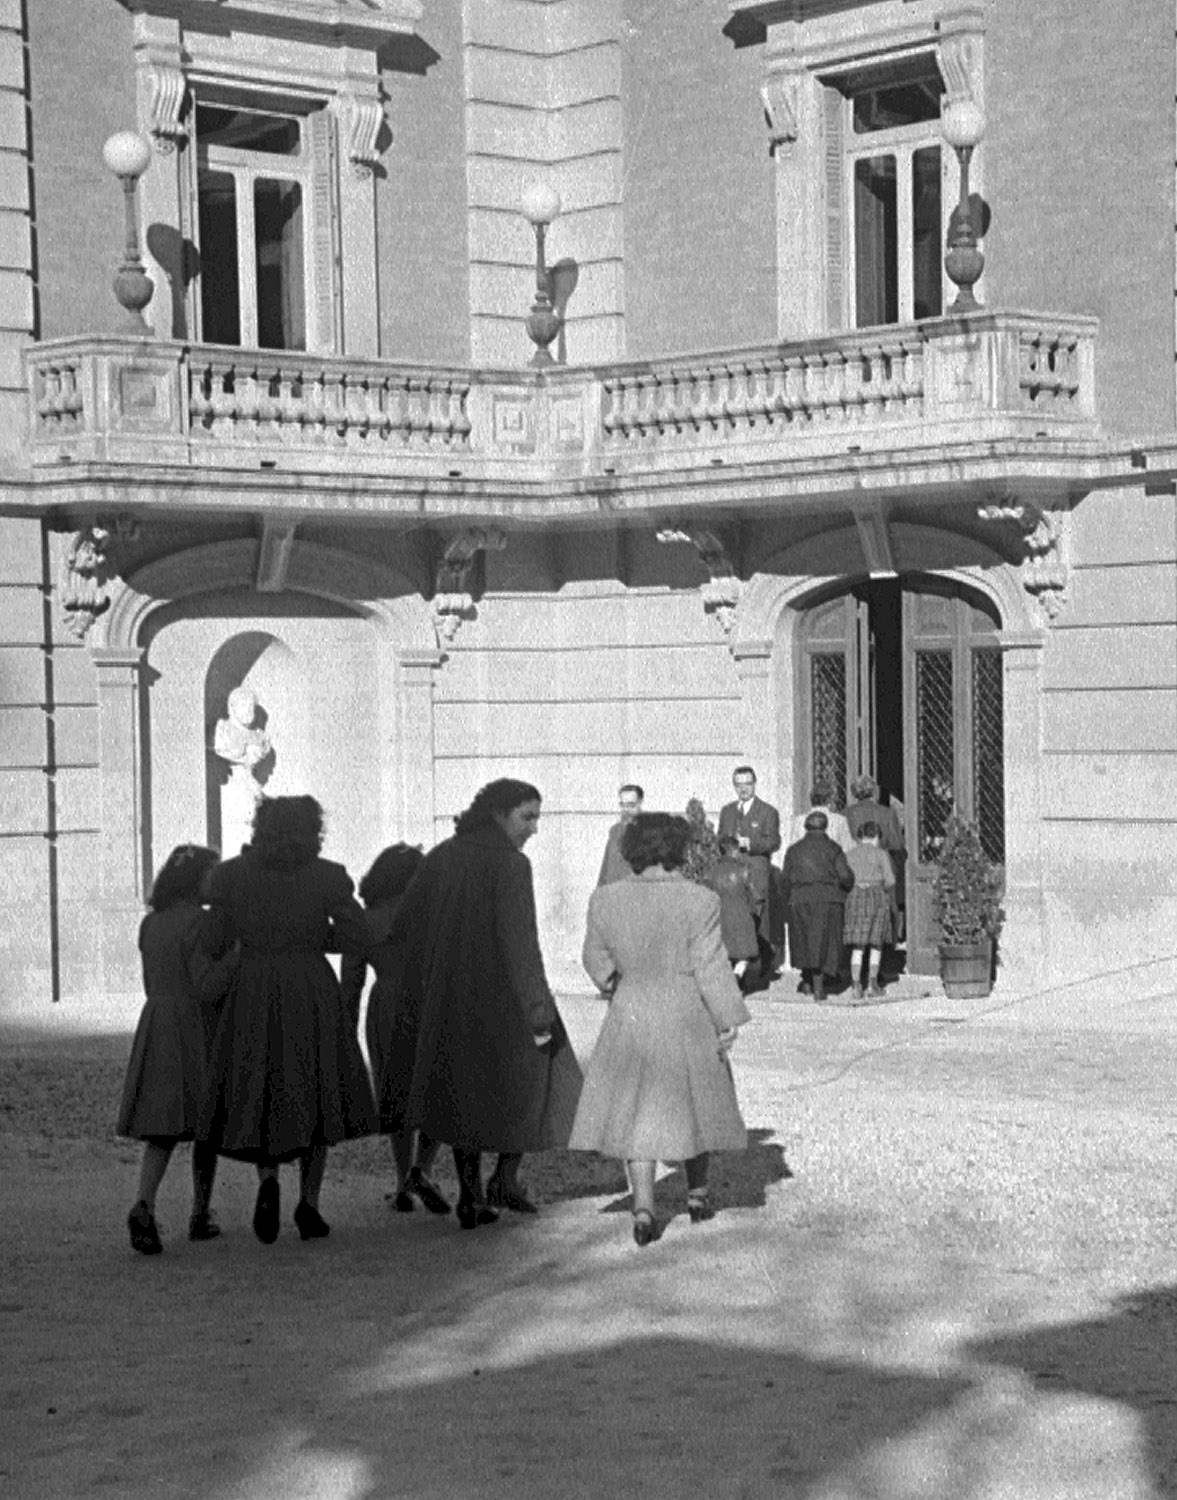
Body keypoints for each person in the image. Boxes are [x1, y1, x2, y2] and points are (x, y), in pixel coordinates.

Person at [388, 779, 583, 1230]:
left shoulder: (441, 856)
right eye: (527, 817)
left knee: (463, 1094)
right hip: (501, 1003)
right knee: (542, 1078)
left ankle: (472, 1193)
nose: (534, 828)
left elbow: (403, 924)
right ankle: (505, 1179)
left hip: (448, 1000)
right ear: (499, 814)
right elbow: (521, 945)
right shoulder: (512, 865)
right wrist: (539, 1011)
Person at [197, 795, 378, 1245]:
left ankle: (268, 1180)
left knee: (264, 1086)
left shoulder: (232, 875)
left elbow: (214, 939)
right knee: (315, 1089)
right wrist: (320, 936)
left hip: (252, 986)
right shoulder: (327, 875)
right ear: (313, 828)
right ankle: (309, 1203)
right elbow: (359, 934)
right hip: (309, 986)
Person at [569, 813, 750, 1247]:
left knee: (635, 1108)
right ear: (678, 850)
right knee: (696, 1099)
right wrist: (727, 1018)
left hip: (631, 1008)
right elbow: (711, 965)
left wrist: (618, 985)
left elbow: (594, 961)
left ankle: (644, 1208)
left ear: (632, 851)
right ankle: (698, 1194)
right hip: (687, 1009)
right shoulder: (699, 899)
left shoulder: (605, 899)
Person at [117, 845, 240, 1255]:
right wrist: (235, 960)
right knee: (205, 1124)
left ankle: (145, 1202)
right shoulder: (199, 924)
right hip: (193, 1026)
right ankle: (200, 1212)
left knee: (162, 1129)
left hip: (157, 1021)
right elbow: (207, 985)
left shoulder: (151, 924)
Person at [340, 843, 450, 1216]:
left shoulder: (366, 919)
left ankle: (402, 1181)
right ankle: (424, 1167)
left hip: (385, 1004)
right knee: (434, 1090)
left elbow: (351, 981)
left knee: (394, 1093)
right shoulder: (428, 914)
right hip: (425, 1003)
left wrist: (346, 1031)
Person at [781, 810, 855, 1002]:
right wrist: (846, 887)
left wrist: (788, 899)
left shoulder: (793, 850)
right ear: (825, 827)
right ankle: (819, 987)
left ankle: (807, 981)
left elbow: (785, 879)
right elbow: (845, 876)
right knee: (824, 942)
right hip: (828, 899)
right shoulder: (833, 849)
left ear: (806, 827)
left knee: (805, 940)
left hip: (800, 898)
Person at [717, 766, 782, 979]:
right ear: (734, 786)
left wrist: (751, 843)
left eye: (747, 783)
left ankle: (757, 969)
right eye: (739, 784)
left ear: (754, 784)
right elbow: (719, 839)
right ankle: (737, 967)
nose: (743, 788)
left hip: (755, 873)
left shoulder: (767, 811)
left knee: (757, 918)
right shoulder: (727, 811)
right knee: (734, 919)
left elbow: (774, 841)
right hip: (731, 877)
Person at [844, 773, 906, 942]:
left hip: (853, 866)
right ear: (874, 791)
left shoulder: (845, 814)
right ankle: (886, 948)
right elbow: (897, 844)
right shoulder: (886, 813)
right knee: (887, 908)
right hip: (881, 865)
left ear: (854, 793)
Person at [843, 820, 897, 1000]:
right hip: (876, 896)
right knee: (876, 943)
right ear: (875, 836)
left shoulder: (850, 854)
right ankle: (873, 984)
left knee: (858, 945)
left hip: (855, 896)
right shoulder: (881, 854)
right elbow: (890, 881)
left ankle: (855, 985)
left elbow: (843, 878)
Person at [704, 835, 760, 990]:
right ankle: (737, 975)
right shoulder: (744, 870)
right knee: (745, 955)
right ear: (735, 851)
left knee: (724, 954)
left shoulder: (711, 871)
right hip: (741, 916)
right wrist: (753, 911)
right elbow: (754, 896)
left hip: (719, 917)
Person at [788, 780, 854, 854]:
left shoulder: (798, 821)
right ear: (830, 800)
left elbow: (793, 851)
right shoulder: (839, 821)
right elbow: (848, 850)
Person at [597, 783, 643, 885]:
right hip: (613, 893)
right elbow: (605, 869)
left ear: (640, 803)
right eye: (623, 805)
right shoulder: (615, 831)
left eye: (631, 805)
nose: (626, 810)